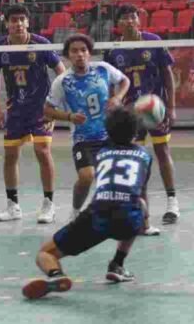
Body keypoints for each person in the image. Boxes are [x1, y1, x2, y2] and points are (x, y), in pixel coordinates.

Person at [22, 107, 150, 299]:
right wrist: (144, 224)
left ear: (109, 132)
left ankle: (57, 275)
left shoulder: (102, 153)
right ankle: (117, 264)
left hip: (97, 216)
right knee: (139, 204)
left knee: (44, 254)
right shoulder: (145, 155)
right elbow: (141, 191)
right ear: (135, 132)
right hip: (128, 220)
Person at [103, 5, 180, 228]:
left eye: (133, 17)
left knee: (162, 152)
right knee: (135, 159)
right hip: (129, 115)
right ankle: (137, 206)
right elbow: (111, 82)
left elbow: (168, 76)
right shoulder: (112, 50)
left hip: (154, 109)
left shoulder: (153, 41)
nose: (129, 21)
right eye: (124, 18)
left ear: (139, 20)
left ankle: (172, 201)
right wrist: (114, 105)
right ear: (118, 24)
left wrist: (171, 107)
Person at [0, 5, 66, 223]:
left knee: (42, 151)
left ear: (28, 22)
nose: (18, 23)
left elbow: (61, 71)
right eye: (14, 20)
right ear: (6, 23)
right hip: (15, 109)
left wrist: (56, 102)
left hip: (41, 108)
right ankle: (13, 206)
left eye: (22, 19)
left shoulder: (41, 44)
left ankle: (49, 204)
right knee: (10, 155)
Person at [44, 34, 131, 222]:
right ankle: (75, 211)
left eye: (83, 50)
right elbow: (47, 110)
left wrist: (117, 98)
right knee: (86, 176)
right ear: (67, 56)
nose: (79, 54)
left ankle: (117, 214)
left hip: (109, 135)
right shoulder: (63, 81)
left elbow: (125, 81)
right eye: (74, 51)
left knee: (116, 178)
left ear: (89, 53)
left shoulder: (103, 69)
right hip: (83, 139)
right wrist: (69, 116)